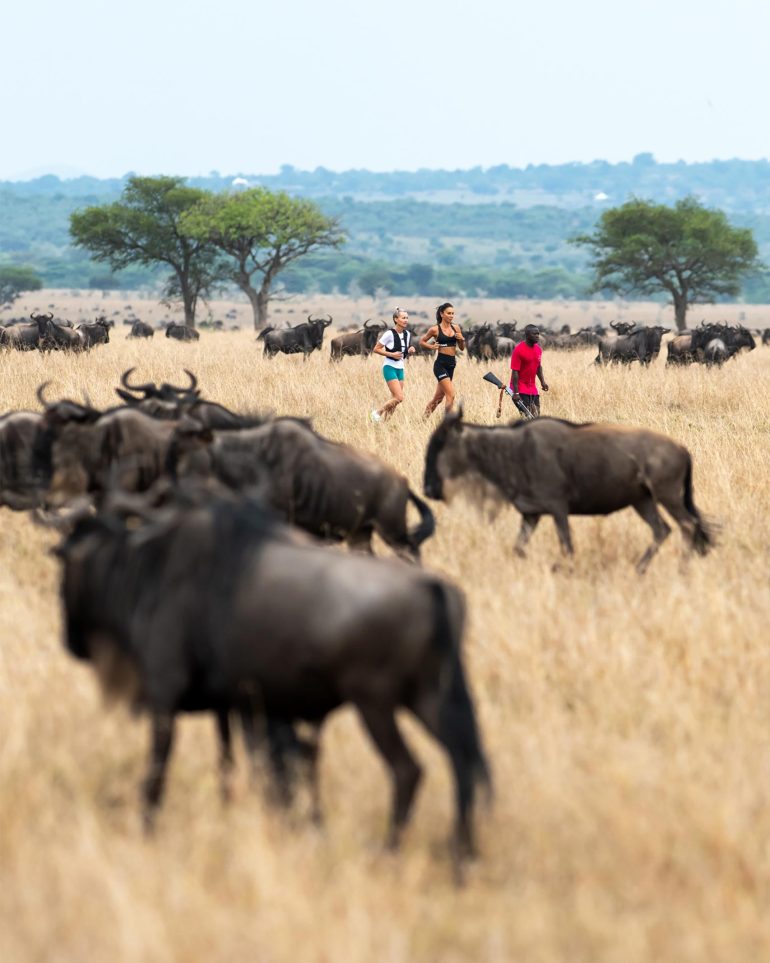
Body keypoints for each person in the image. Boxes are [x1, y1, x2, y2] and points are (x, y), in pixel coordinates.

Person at [420, 302, 465, 417]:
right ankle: (447, 424)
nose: (451, 316)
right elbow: (422, 341)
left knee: (438, 398)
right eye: (449, 313)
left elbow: (462, 348)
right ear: (442, 314)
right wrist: (431, 347)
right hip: (440, 365)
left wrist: (461, 339)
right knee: (451, 395)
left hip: (451, 365)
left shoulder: (456, 328)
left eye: (453, 314)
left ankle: (423, 419)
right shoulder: (435, 329)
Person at [370, 307, 416, 422]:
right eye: (403, 318)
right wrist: (391, 354)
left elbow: (402, 353)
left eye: (407, 318)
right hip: (389, 367)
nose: (406, 320)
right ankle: (377, 413)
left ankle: (385, 424)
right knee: (399, 397)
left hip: (400, 368)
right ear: (396, 319)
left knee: (394, 399)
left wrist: (409, 350)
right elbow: (376, 349)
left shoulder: (408, 334)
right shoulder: (389, 334)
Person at [510, 324, 549, 416]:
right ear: (527, 335)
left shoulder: (538, 349)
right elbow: (515, 372)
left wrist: (543, 382)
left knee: (536, 416)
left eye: (538, 334)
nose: (537, 336)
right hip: (520, 388)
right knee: (527, 416)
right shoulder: (518, 350)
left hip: (532, 388)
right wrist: (516, 392)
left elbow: (538, 367)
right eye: (534, 334)